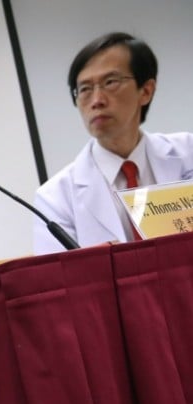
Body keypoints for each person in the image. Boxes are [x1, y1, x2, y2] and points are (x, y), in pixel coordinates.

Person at [33, 31, 193, 253]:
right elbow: (61, 283)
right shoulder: (55, 198)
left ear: (146, 91)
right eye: (85, 89)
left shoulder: (188, 154)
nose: (97, 100)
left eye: (110, 82)